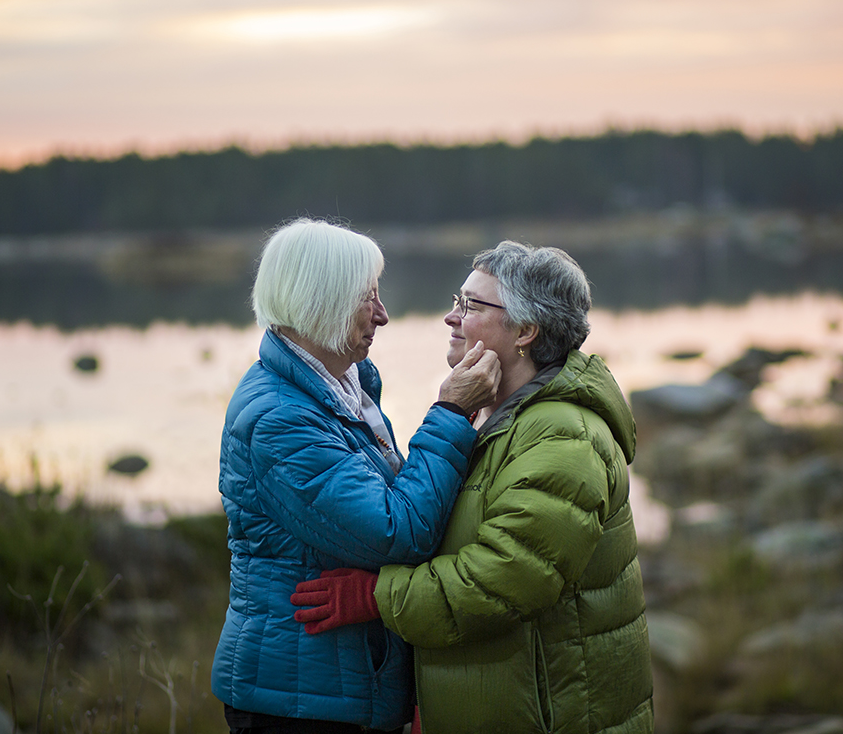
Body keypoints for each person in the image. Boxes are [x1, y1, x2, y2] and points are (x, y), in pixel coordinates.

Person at [292, 241, 654, 734]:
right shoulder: (490, 418)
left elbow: (506, 578)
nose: (450, 317)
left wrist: (378, 595)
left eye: (471, 306)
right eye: (457, 300)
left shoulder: (564, 435)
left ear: (526, 330)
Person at [211, 218, 502, 734]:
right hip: (300, 702)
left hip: (342, 684)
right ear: (319, 301)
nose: (383, 315)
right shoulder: (280, 418)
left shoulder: (344, 387)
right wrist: (452, 414)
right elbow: (400, 532)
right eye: (367, 297)